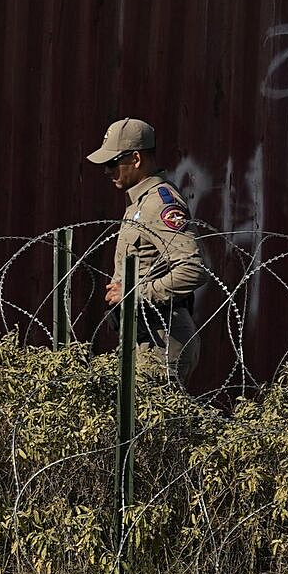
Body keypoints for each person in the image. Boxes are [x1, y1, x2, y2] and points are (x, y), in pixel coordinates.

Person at [89, 118, 207, 380]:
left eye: (112, 164)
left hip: (162, 342)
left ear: (136, 159)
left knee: (149, 421)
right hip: (144, 338)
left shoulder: (160, 204)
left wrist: (135, 293)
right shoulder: (138, 202)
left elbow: (193, 269)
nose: (107, 171)